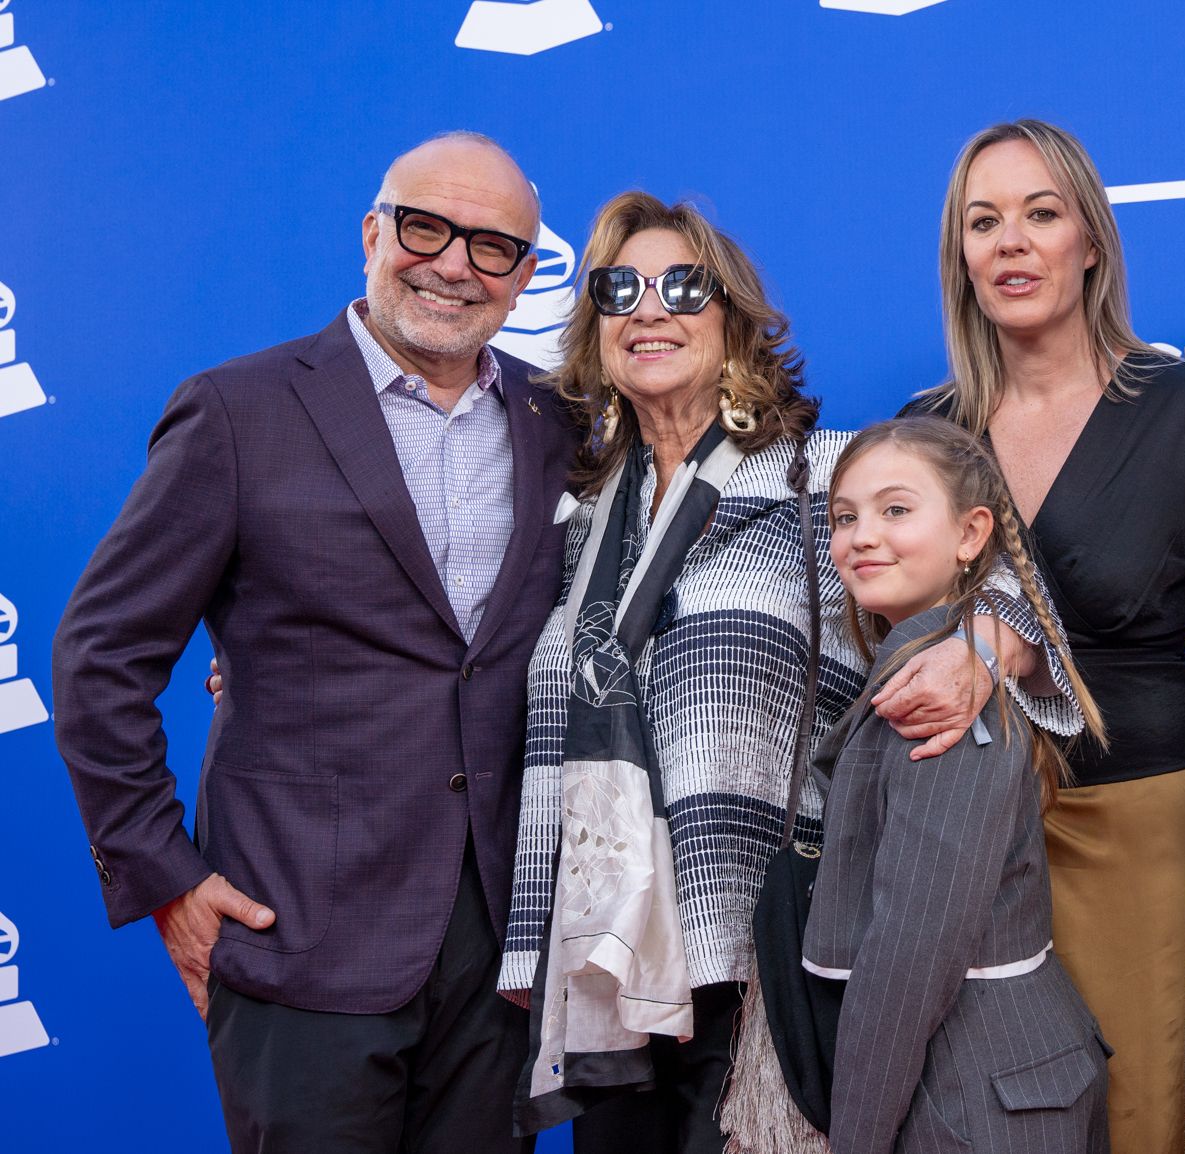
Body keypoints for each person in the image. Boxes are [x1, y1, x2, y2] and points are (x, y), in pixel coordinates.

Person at [498, 191, 1082, 1149]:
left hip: (766, 953)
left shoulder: (826, 478)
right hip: (608, 964)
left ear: (731, 319)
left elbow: (1018, 587)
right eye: (620, 288)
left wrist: (979, 652)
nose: (650, 309)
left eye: (682, 286)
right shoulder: (572, 517)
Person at [52, 132, 571, 1152]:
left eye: (494, 246)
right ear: (372, 234)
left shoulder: (562, 423)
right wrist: (165, 873)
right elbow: (99, 654)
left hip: (503, 958)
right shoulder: (240, 411)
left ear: (523, 278)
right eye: (427, 227)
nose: (456, 263)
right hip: (296, 936)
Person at [905, 119, 1185, 1153]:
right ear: (961, 258)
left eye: (1041, 213)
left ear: (1091, 240)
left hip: (1147, 823)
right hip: (973, 840)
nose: (1012, 241)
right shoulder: (926, 435)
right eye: (985, 221)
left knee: (1148, 1111)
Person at [805, 417, 1113, 1154]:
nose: (861, 536)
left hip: (976, 1094)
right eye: (844, 517)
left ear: (972, 534)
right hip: (995, 1084)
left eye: (895, 510)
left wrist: (856, 1139)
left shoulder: (938, 703)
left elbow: (911, 954)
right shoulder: (927, 665)